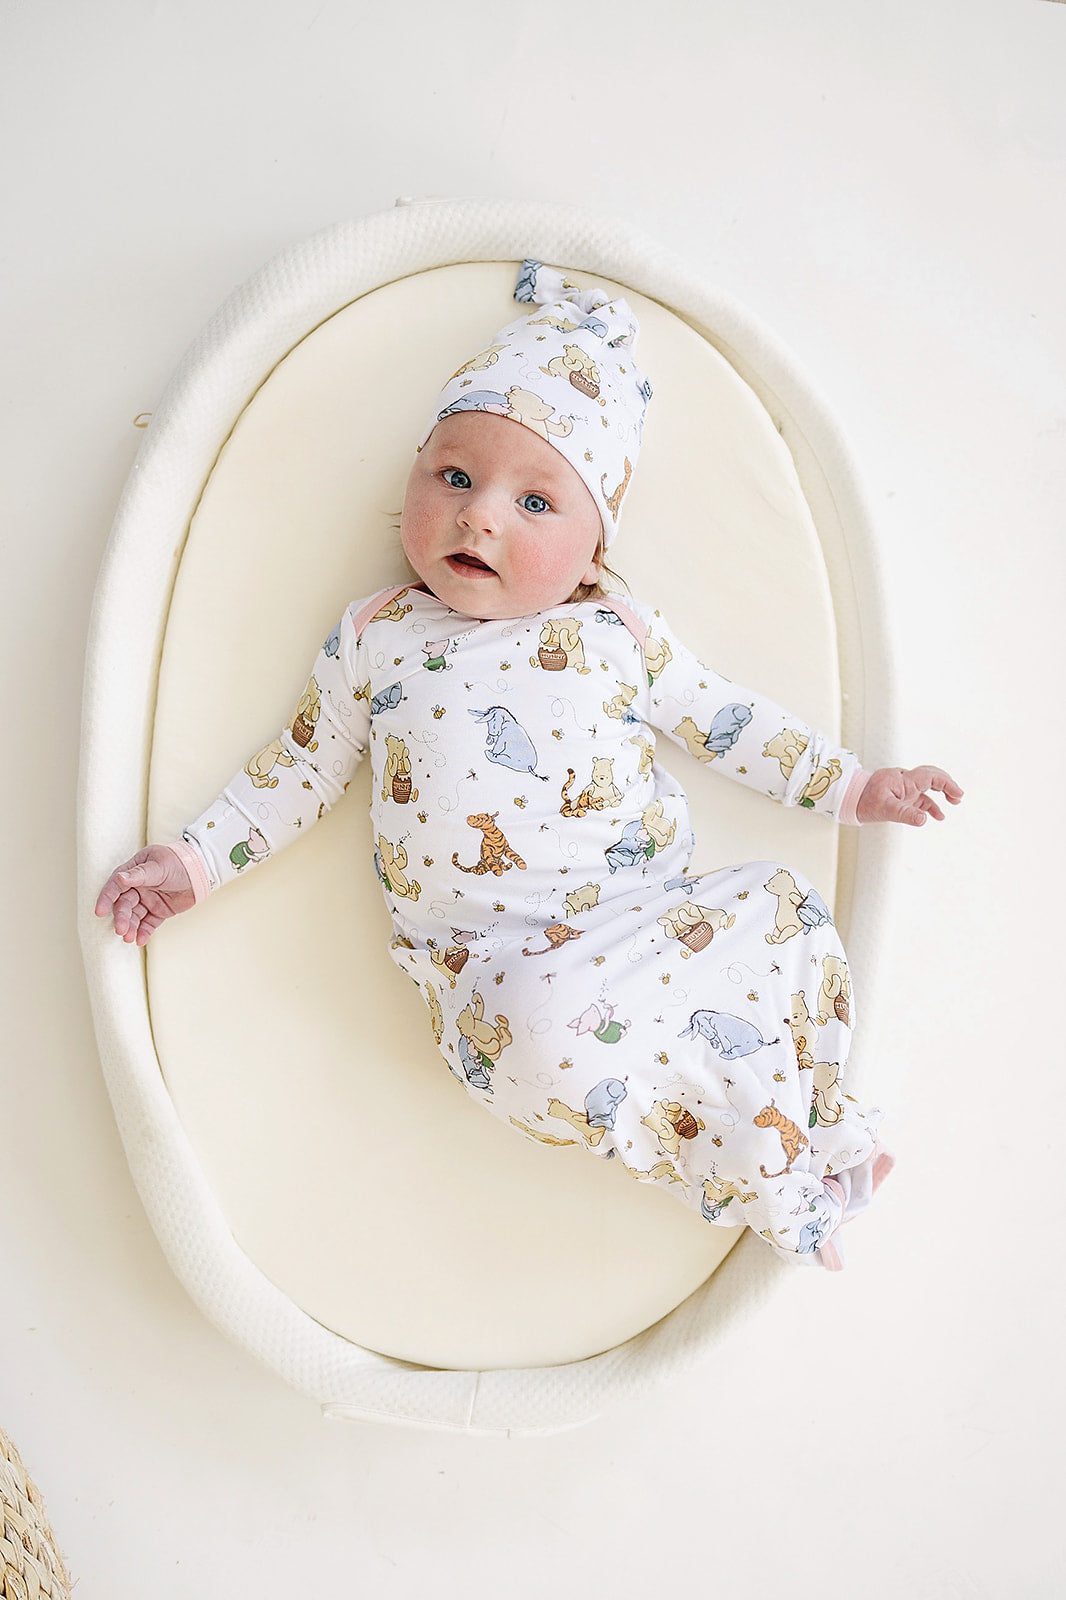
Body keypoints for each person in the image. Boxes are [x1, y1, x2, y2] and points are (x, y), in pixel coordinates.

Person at [95, 259, 963, 1270]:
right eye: (454, 477)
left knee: (785, 910)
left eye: (536, 501)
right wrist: (197, 858)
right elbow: (298, 768)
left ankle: (817, 1121)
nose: (480, 516)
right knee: (542, 1033)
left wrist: (853, 784)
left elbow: (729, 721)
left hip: (639, 925)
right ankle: (758, 1174)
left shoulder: (617, 636)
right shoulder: (376, 636)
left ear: (595, 552)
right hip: (493, 972)